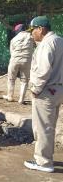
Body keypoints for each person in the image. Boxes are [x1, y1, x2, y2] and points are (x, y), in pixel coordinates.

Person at [24, 16, 63, 173]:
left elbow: (43, 70)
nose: (31, 34)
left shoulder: (46, 44)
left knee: (42, 127)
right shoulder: (59, 40)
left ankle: (44, 162)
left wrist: (35, 89)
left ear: (41, 29)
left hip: (46, 90)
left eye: (33, 30)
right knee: (49, 126)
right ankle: (47, 157)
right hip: (58, 89)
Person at [3, 23, 35, 104]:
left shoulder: (13, 39)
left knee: (11, 79)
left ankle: (10, 96)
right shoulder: (31, 38)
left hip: (15, 59)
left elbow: (11, 52)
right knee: (24, 81)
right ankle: (21, 99)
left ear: (17, 31)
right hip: (27, 61)